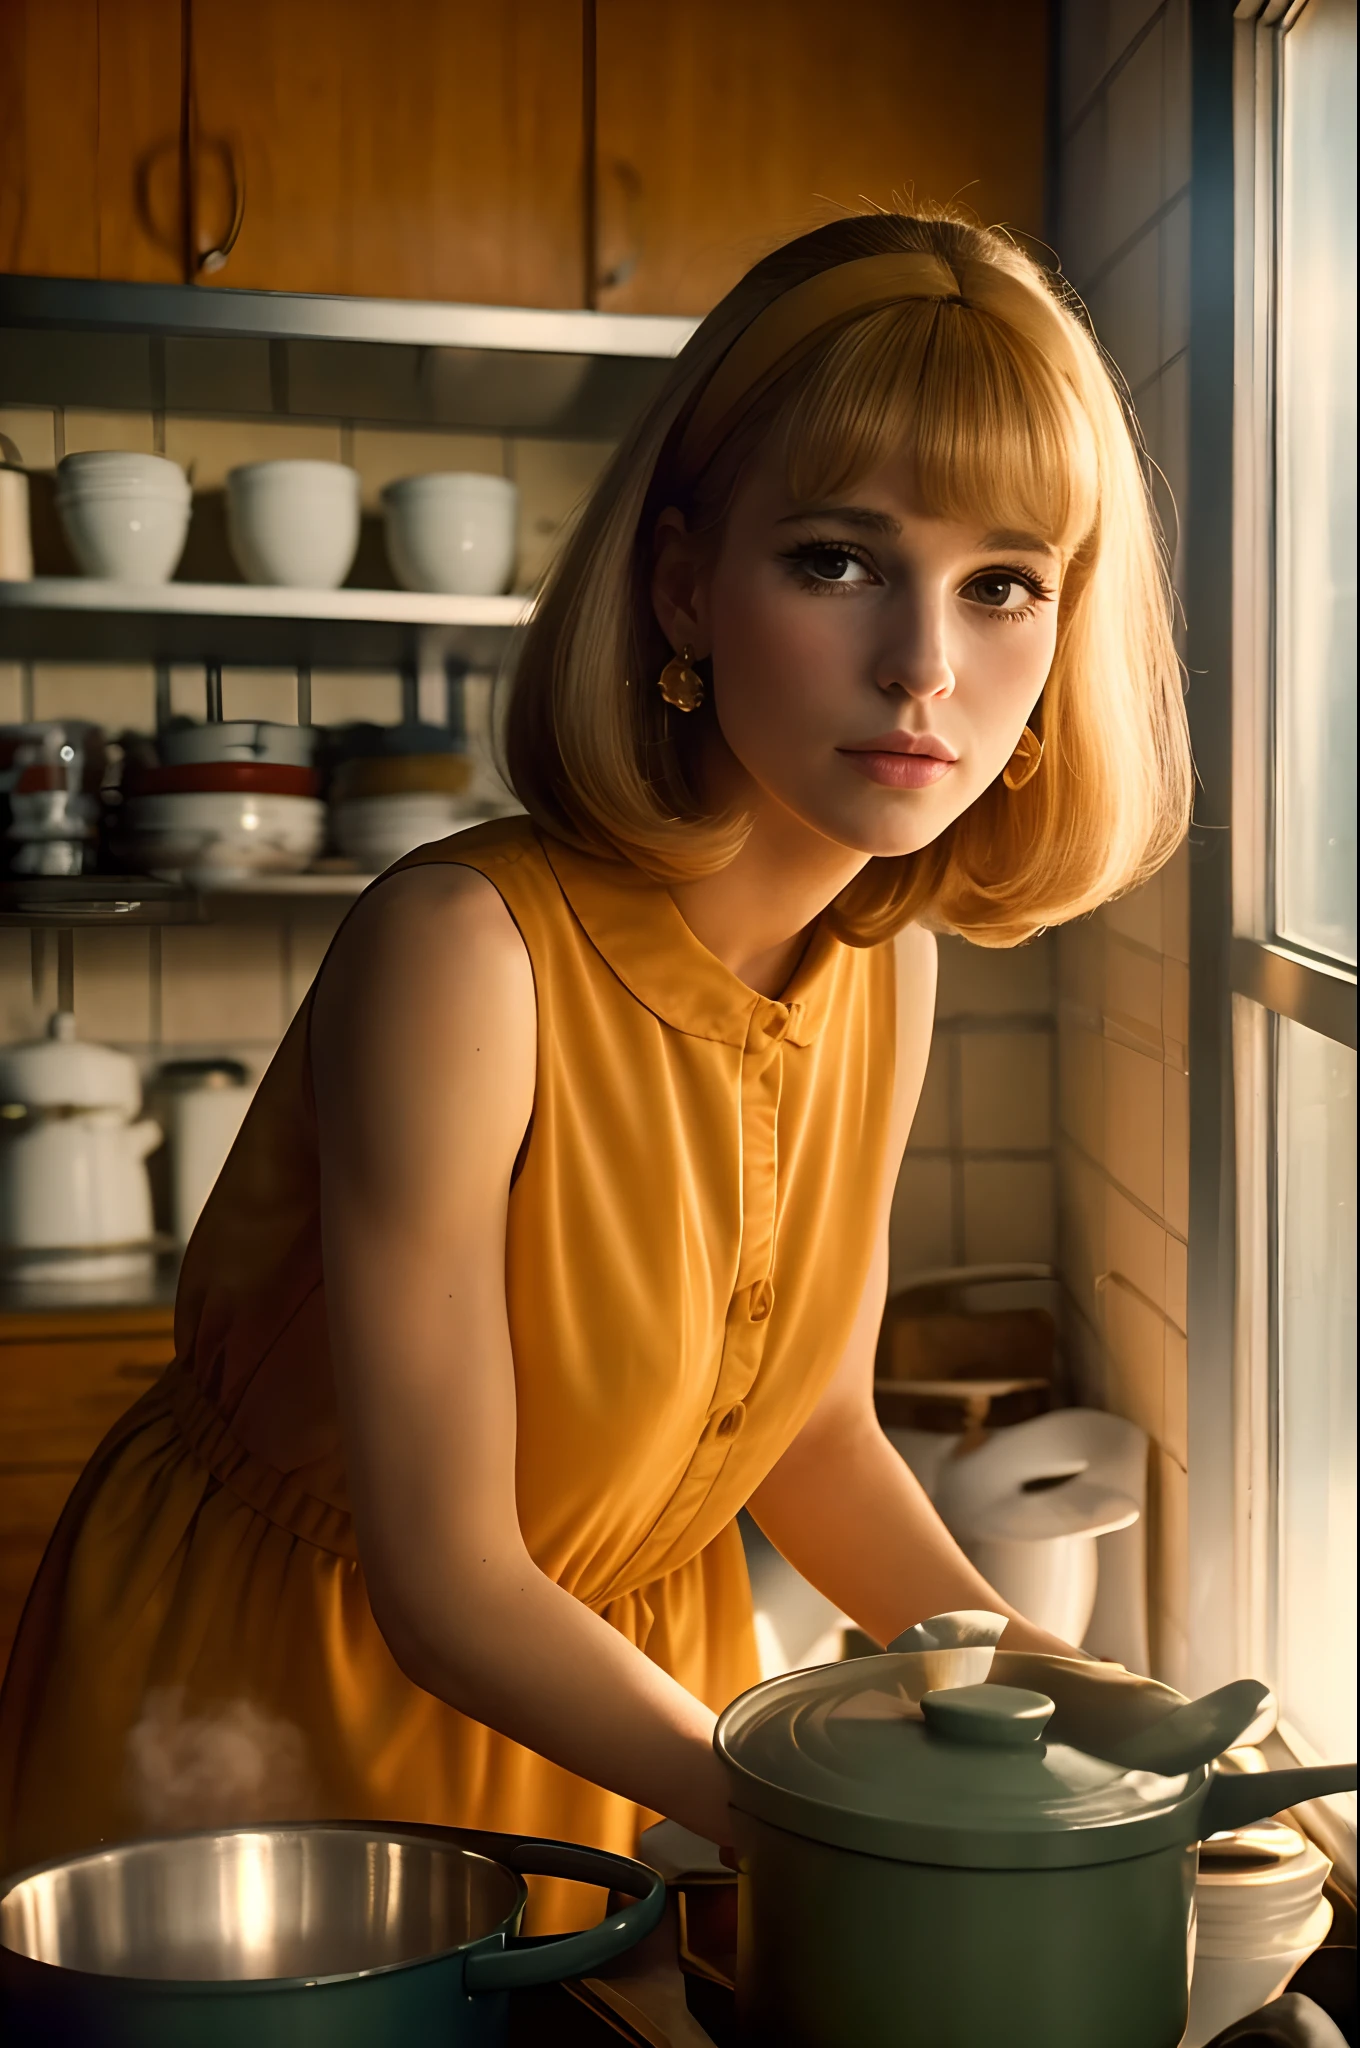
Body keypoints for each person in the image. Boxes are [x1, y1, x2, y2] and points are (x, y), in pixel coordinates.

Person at [0, 211, 1191, 1931]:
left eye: (1004, 583)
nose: (928, 666)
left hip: (624, 1709)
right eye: (841, 559)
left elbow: (819, 1444)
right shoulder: (466, 949)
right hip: (278, 1732)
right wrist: (828, 1825)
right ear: (683, 578)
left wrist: (1084, 1706)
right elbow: (448, 1586)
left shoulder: (888, 965)